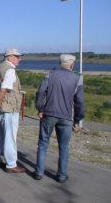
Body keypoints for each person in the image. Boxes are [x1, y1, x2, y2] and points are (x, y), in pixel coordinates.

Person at [34, 54, 84, 183]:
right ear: (72, 64)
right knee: (64, 146)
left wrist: (40, 108)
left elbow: (40, 92)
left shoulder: (50, 75)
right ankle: (61, 175)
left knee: (43, 143)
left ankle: (39, 172)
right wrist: (78, 119)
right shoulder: (77, 78)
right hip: (66, 117)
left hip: (48, 114)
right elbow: (79, 102)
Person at [0, 48, 25, 173]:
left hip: (0, 106)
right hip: (8, 107)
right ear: (10, 57)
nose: (19, 59)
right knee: (9, 136)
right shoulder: (9, 70)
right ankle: (11, 164)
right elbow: (4, 88)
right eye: (17, 56)